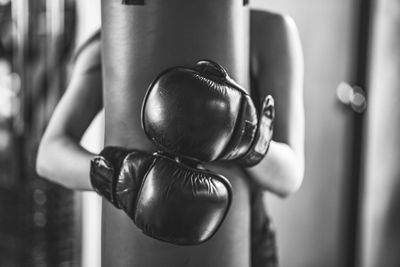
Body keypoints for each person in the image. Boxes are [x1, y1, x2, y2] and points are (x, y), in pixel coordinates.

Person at [36, 0, 304, 266]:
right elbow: (49, 155)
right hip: (137, 245)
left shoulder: (268, 31)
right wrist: (121, 178)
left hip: (244, 245)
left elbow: (288, 178)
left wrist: (247, 140)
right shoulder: (119, 34)